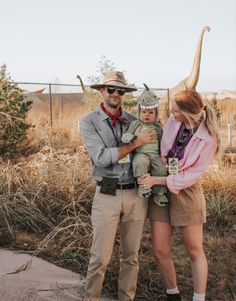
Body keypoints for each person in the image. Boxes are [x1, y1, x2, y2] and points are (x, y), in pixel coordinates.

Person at [79, 71, 156, 301]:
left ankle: (127, 297)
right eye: (111, 89)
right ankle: (91, 297)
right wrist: (135, 144)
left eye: (120, 90)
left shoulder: (134, 120)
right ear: (102, 91)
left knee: (131, 256)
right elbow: (102, 158)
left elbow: (149, 151)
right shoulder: (89, 121)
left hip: (135, 193)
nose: (115, 94)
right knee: (100, 257)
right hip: (107, 194)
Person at [138, 90, 220, 301]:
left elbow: (190, 175)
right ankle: (172, 294)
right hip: (161, 190)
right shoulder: (174, 122)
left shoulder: (208, 139)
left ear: (188, 112)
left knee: (194, 250)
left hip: (186, 191)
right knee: (160, 249)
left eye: (175, 109)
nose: (171, 113)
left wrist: (157, 180)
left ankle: (198, 298)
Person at [121, 84, 168, 206]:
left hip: (155, 154)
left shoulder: (158, 128)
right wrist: (131, 137)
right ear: (139, 111)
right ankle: (143, 188)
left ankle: (160, 194)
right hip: (140, 153)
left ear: (156, 113)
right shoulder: (135, 124)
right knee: (140, 163)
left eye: (151, 112)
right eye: (144, 112)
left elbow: (163, 142)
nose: (147, 115)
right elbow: (125, 136)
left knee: (161, 168)